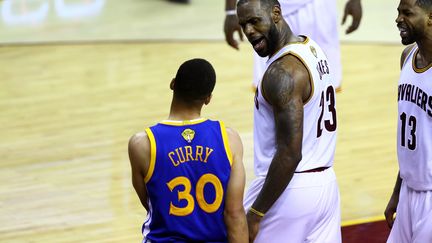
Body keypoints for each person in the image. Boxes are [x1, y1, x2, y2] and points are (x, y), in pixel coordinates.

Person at [236, 0, 341, 242]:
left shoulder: (281, 73)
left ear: (276, 13)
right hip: (326, 185)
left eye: (254, 21)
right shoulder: (312, 48)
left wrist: (256, 212)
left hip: (288, 189)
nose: (249, 31)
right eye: (243, 25)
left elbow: (290, 153)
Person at [128, 58, 248, 243]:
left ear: (173, 84)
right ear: (208, 99)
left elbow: (152, 204)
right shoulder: (229, 139)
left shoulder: (142, 144)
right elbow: (235, 213)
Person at [224, 0, 362, 91]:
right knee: (271, 89)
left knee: (324, 88)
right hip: (266, 9)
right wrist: (230, 11)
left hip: (317, 7)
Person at [384, 0, 432, 242]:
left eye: (407, 13)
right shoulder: (407, 57)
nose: (398, 19)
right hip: (409, 191)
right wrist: (397, 192)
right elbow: (411, 145)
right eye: (398, 12)